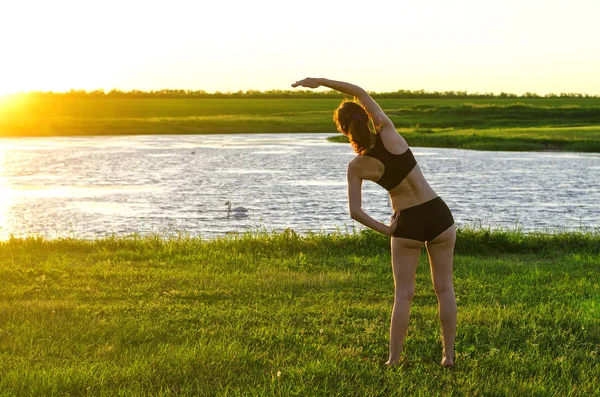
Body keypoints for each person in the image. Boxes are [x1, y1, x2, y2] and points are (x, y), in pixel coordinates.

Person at [292, 78, 457, 367]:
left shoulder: (356, 166)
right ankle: (449, 357)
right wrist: (319, 81)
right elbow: (357, 91)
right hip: (438, 213)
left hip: (408, 222)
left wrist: (389, 229)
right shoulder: (388, 130)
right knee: (444, 288)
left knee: (404, 294)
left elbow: (355, 212)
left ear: (344, 131)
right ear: (367, 117)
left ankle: (393, 360)